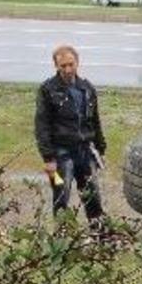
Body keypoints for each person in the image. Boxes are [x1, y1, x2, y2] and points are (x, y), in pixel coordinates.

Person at [34, 44, 106, 222]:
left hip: (85, 152)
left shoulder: (87, 88)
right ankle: (61, 240)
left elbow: (95, 120)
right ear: (56, 66)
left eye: (70, 64)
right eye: (63, 66)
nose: (67, 69)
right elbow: (42, 125)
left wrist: (100, 149)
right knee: (61, 195)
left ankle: (99, 236)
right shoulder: (47, 90)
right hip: (60, 154)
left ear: (77, 63)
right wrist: (48, 158)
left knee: (92, 197)